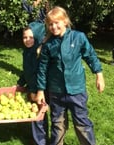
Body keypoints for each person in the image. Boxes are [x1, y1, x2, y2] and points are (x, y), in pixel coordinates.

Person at [36, 6, 105, 145]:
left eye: (57, 23)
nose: (54, 27)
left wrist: (99, 75)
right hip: (56, 92)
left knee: (82, 123)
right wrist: (40, 90)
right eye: (50, 24)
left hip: (77, 90)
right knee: (58, 124)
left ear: (65, 21)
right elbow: (42, 69)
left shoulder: (78, 37)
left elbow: (91, 56)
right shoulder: (48, 45)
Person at [17, 21, 49, 145]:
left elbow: (41, 72)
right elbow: (27, 70)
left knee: (38, 116)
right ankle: (39, 140)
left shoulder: (39, 52)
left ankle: (40, 142)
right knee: (36, 115)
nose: (27, 40)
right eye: (25, 37)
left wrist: (38, 90)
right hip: (32, 87)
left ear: (37, 37)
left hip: (40, 88)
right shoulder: (27, 51)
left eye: (31, 37)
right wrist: (21, 82)